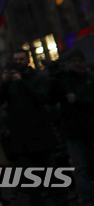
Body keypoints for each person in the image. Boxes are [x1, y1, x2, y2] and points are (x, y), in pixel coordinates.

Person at [0, 49, 56, 205]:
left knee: (50, 178)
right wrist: (4, 82)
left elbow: (42, 98)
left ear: (28, 60)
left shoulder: (37, 78)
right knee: (30, 183)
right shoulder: (9, 83)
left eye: (21, 59)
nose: (19, 62)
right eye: (16, 60)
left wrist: (22, 82)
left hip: (41, 137)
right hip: (22, 142)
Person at [48, 49, 94, 206]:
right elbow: (51, 97)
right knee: (80, 167)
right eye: (74, 61)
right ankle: (86, 198)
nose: (77, 63)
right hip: (73, 130)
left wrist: (79, 99)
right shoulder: (64, 81)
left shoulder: (90, 79)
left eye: (79, 60)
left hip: (89, 127)